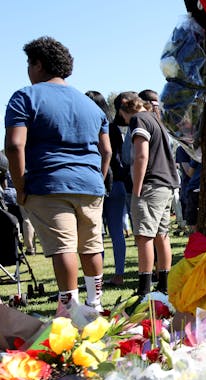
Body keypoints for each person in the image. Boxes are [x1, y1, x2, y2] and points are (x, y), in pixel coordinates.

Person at [4, 36, 111, 313]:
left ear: (38, 64)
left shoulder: (25, 96)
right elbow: (107, 150)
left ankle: (70, 307)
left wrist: (20, 186)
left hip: (49, 183)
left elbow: (15, 145)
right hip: (90, 184)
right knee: (91, 246)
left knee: (63, 247)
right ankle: (95, 304)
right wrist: (97, 176)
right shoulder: (91, 105)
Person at [114, 91, 180, 296]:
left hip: (151, 184)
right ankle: (164, 285)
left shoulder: (138, 120)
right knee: (162, 234)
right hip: (167, 183)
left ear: (125, 107)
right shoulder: (155, 119)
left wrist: (137, 188)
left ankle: (143, 289)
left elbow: (141, 155)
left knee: (144, 236)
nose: (123, 121)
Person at [85, 90, 129, 287]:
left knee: (97, 232)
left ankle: (99, 277)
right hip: (118, 183)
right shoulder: (113, 128)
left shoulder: (91, 127)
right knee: (117, 231)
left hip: (98, 182)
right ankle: (119, 274)